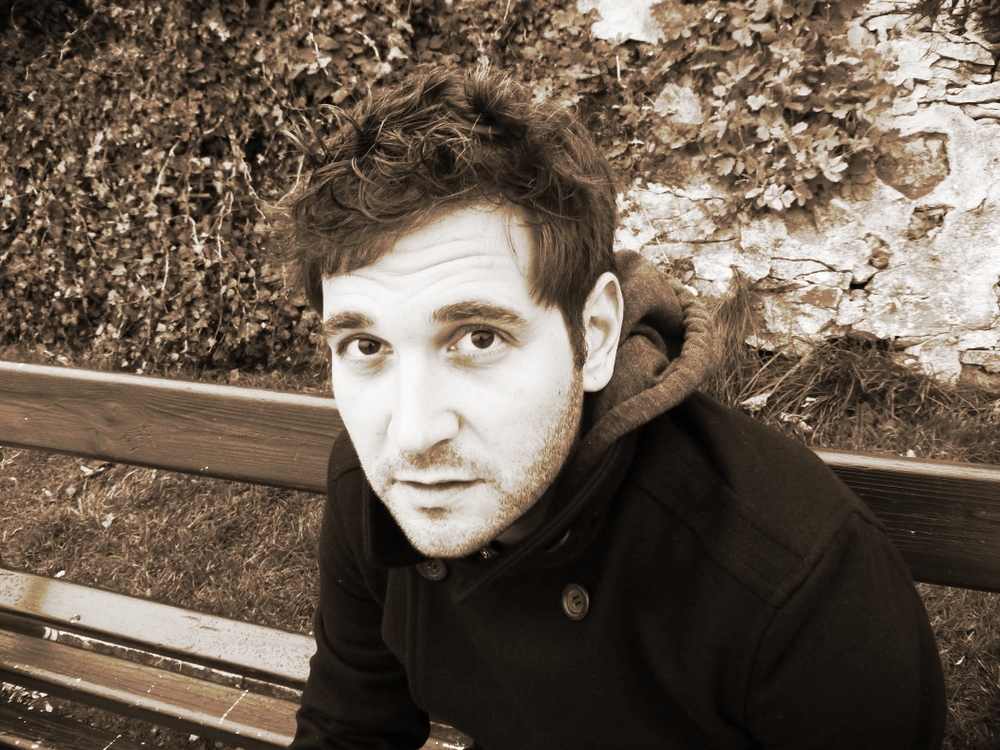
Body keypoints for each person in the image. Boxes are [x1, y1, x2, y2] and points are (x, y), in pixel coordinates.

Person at [277, 65, 946, 749]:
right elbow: (349, 728)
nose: (413, 433)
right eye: (366, 346)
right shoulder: (373, 484)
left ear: (593, 335)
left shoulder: (796, 588)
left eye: (478, 338)